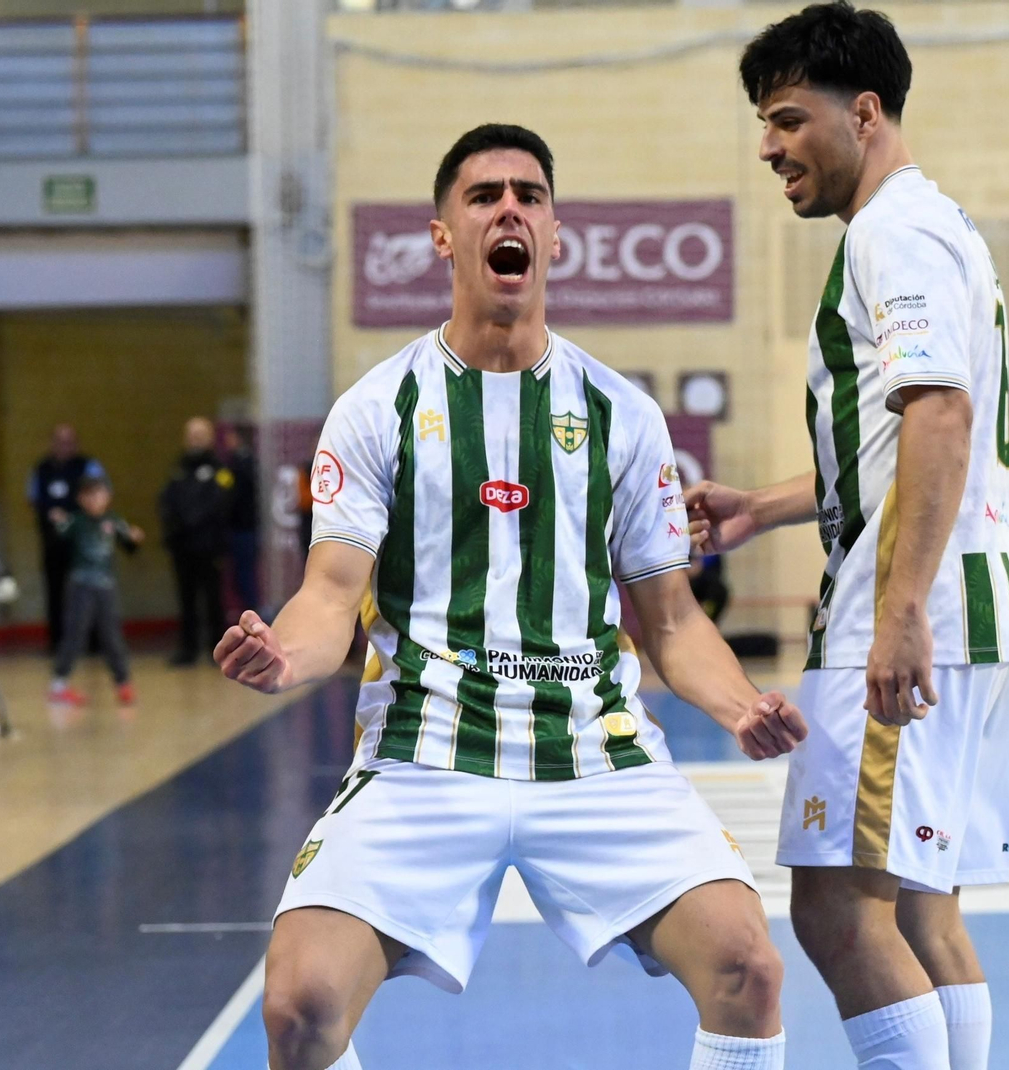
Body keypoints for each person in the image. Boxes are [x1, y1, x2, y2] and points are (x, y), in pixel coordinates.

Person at [217, 123, 806, 1070]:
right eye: (484, 196)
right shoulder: (377, 408)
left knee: (750, 969)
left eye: (529, 196)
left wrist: (742, 706)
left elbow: (672, 619)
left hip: (593, 746)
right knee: (299, 1006)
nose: (509, 211)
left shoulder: (621, 414)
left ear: (554, 235)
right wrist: (283, 656)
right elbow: (328, 598)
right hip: (425, 749)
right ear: (443, 236)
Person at [687, 6, 1009, 1068]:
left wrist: (897, 613)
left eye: (788, 119)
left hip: (916, 611)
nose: (769, 146)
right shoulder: (935, 224)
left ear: (866, 112)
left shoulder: (893, 233)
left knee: (838, 910)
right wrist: (765, 506)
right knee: (921, 908)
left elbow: (940, 416)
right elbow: (902, 445)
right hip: (977, 607)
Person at [48, 477, 144, 707]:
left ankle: (123, 683)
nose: (94, 500)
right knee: (75, 633)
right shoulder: (76, 521)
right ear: (81, 499)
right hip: (80, 585)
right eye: (89, 496)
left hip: (106, 586)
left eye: (99, 495)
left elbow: (129, 546)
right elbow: (57, 543)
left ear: (107, 497)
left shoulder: (113, 521)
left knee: (111, 635)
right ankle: (59, 685)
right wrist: (58, 522)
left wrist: (135, 539)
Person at [28, 423, 106, 651]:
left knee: (88, 590)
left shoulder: (88, 466)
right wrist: (50, 513)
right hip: (53, 541)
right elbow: (33, 498)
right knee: (56, 591)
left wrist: (75, 515)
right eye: (60, 441)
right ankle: (58, 642)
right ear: (52, 443)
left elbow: (101, 495)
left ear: (76, 443)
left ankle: (92, 643)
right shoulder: (41, 469)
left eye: (69, 442)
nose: (64, 446)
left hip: (84, 542)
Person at [161, 417, 229, 666]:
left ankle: (217, 649)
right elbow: (167, 501)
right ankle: (188, 649)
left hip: (209, 545)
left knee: (213, 599)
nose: (195, 440)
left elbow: (220, 502)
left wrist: (194, 521)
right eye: (191, 435)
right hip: (183, 546)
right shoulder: (178, 468)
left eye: (200, 435)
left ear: (210, 438)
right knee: (186, 599)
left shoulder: (219, 469)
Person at [218, 424, 261, 614]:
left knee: (245, 573)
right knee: (240, 575)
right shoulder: (237, 463)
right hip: (239, 526)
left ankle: (252, 613)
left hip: (244, 527)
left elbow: (235, 494)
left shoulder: (242, 464)